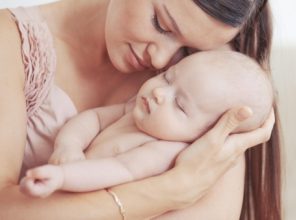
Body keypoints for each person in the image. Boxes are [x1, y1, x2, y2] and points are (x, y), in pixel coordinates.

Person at [0, 0, 280, 220]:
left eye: (190, 49)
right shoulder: (9, 43)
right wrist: (169, 191)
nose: (161, 59)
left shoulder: (207, 81)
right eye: (160, 24)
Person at [20, 51, 274, 198]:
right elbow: (92, 118)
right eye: (167, 77)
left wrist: (63, 176)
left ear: (203, 136)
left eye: (180, 105)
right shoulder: (134, 110)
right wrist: (69, 146)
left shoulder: (164, 151)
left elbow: (116, 169)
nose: (160, 93)